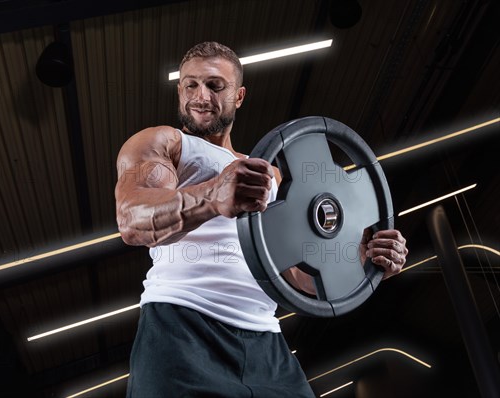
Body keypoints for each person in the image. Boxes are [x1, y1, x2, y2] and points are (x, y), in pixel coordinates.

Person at [115, 41, 408, 397]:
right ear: (179, 90)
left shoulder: (269, 173)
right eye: (190, 85)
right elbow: (132, 221)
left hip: (265, 342)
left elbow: (296, 278)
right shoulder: (165, 143)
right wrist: (211, 197)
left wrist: (361, 259)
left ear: (238, 96)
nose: (200, 96)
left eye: (215, 86)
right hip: (181, 325)